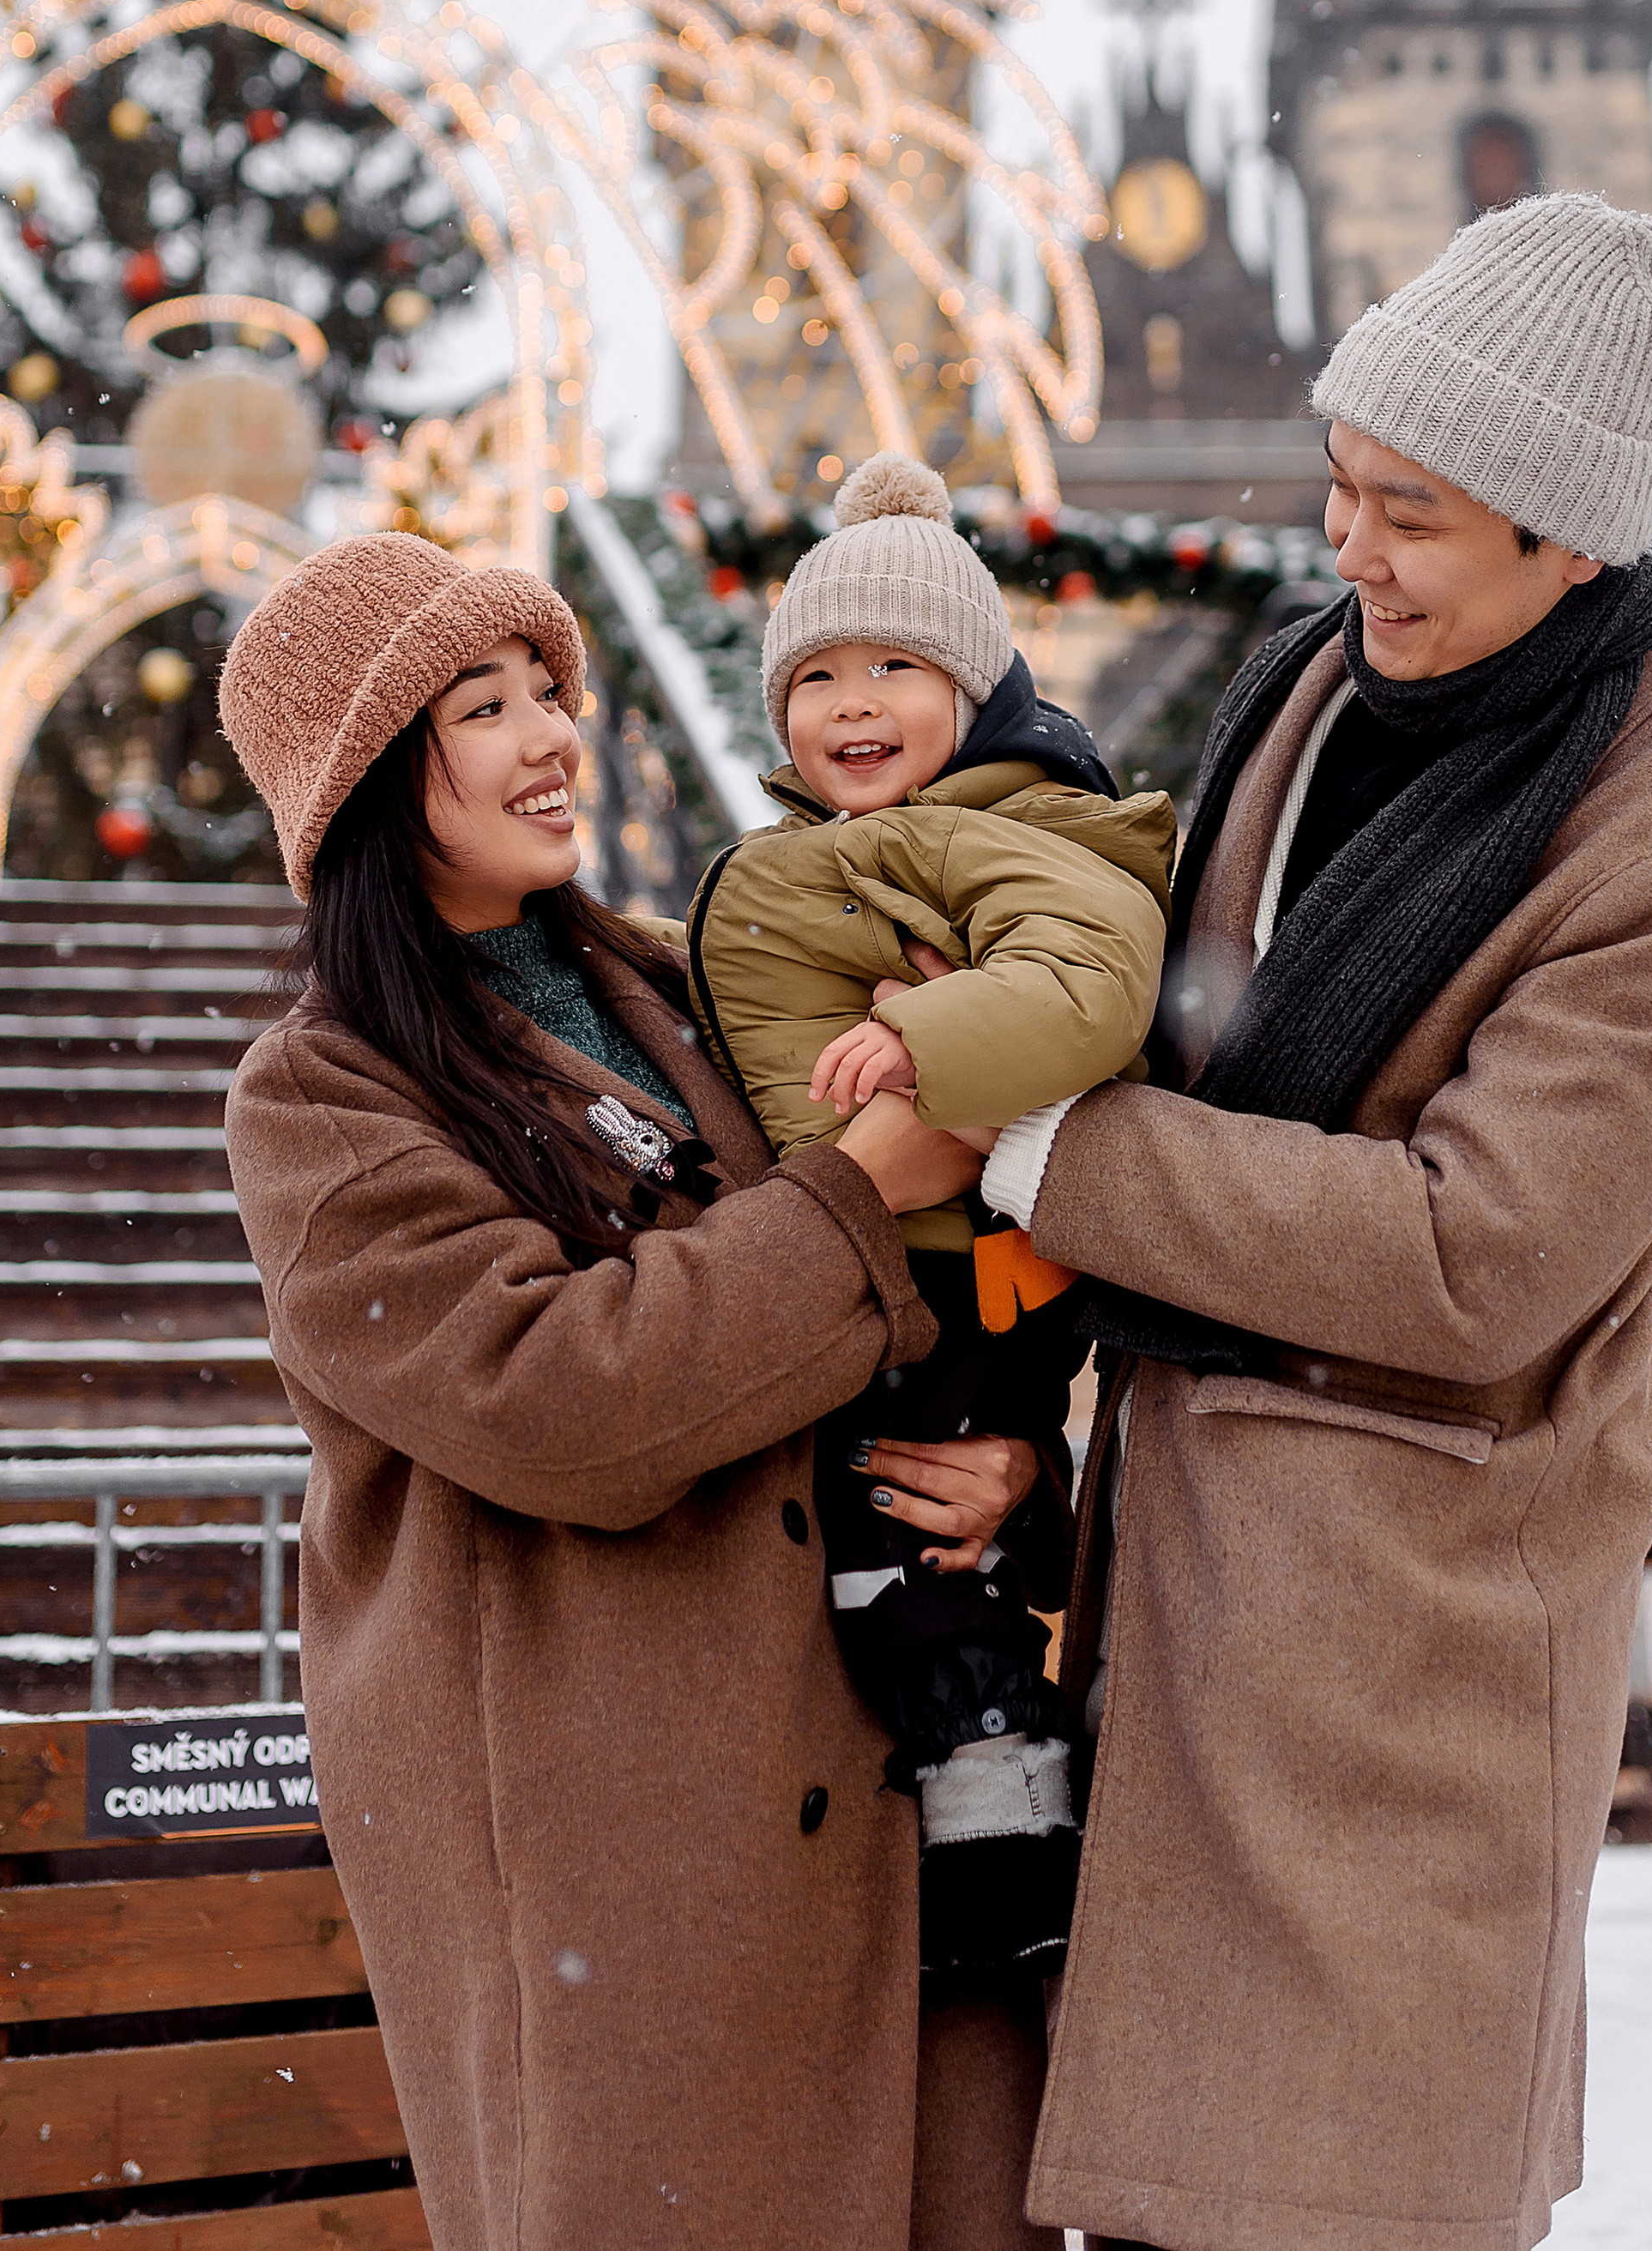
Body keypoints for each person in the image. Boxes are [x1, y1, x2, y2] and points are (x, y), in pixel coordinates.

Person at [974, 193, 1652, 2251]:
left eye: (1407, 513)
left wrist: (1050, 1150)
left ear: (1566, 536)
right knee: (1160, 2195)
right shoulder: (1305, 681)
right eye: (1338, 484)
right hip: (1173, 1586)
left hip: (1400, 1653)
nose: (1347, 545)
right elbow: (1178, 1022)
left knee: (1337, 2196)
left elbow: (1467, 1258)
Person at [216, 532, 1053, 2251]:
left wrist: (1015, 1462)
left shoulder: (688, 982)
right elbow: (562, 1402)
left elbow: (944, 1288)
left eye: (550, 691)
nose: (552, 736)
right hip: (621, 1864)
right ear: (365, 779)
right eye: (482, 707)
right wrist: (857, 1189)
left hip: (891, 1795)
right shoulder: (322, 1099)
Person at [685, 452, 1174, 1980]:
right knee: (894, 1523)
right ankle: (976, 1797)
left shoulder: (989, 833)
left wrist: (928, 1041)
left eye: (896, 666)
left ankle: (1004, 1823)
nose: (853, 701)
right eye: (816, 675)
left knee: (916, 1537)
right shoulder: (839, 853)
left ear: (977, 689)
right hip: (888, 1259)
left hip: (959, 1274)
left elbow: (1093, 977)